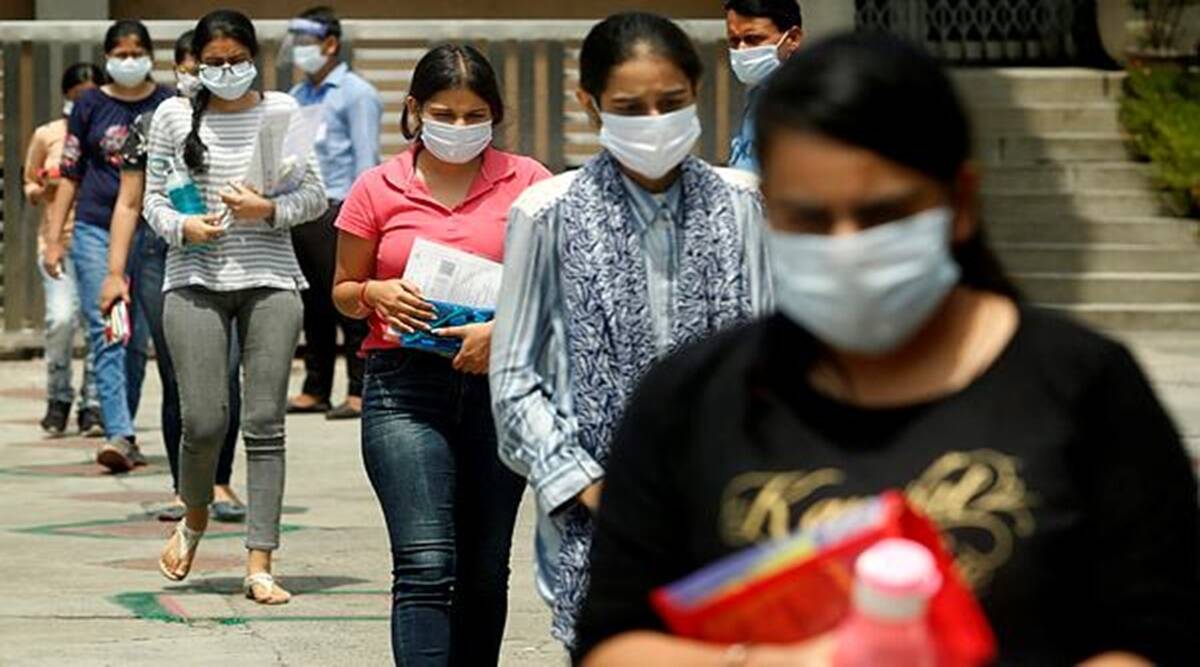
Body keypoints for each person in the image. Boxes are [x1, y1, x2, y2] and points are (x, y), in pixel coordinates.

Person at [574, 32, 1200, 666]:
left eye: (882, 215)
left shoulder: (1084, 386)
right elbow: (612, 643)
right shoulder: (691, 400)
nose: (846, 247)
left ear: (959, 202)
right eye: (810, 218)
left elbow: (1162, 632)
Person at [490, 12, 773, 649]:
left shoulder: (744, 204)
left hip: (731, 515)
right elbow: (514, 382)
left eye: (670, 103)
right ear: (590, 105)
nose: (653, 121)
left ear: (697, 91)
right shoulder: (548, 213)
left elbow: (774, 352)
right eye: (630, 106)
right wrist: (590, 487)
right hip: (599, 527)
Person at [332, 42, 550, 666]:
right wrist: (373, 291)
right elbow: (344, 292)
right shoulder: (377, 188)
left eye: (473, 114)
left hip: (501, 388)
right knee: (427, 564)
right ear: (414, 111)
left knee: (484, 569)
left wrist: (502, 329)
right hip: (405, 390)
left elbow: (557, 286)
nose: (459, 127)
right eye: (444, 113)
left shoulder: (530, 182)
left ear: (495, 115)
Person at [143, 9, 327, 605]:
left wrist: (266, 211)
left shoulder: (284, 112)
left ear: (255, 58)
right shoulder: (173, 115)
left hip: (272, 278)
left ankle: (260, 561)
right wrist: (183, 225)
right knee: (203, 420)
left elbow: (315, 196)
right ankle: (194, 515)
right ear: (196, 62)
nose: (226, 70)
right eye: (214, 61)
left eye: (236, 60)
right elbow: (152, 203)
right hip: (194, 277)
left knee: (265, 423)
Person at [99, 29, 246, 524]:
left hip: (232, 259)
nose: (196, 76)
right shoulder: (153, 122)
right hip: (165, 259)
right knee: (179, 374)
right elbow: (129, 200)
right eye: (189, 66)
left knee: (226, 373)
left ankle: (220, 480)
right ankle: (187, 488)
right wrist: (115, 272)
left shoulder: (244, 120)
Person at [42, 19, 174, 471]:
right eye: (120, 52)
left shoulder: (168, 103)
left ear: (151, 55)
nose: (129, 59)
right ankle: (118, 431)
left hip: (153, 233)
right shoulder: (91, 105)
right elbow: (70, 173)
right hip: (97, 230)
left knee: (138, 339)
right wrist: (56, 239)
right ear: (107, 57)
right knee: (109, 329)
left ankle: (126, 429)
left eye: (137, 51)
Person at [285, 5, 382, 420]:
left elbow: (366, 156)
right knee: (313, 304)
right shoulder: (297, 96)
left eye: (307, 42)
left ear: (330, 44)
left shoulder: (357, 93)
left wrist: (362, 213)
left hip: (341, 206)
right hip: (304, 207)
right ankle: (316, 386)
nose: (300, 51)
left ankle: (360, 389)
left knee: (349, 300)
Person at [23, 63, 105, 438]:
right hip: (56, 242)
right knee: (59, 319)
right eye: (77, 95)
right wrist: (44, 188)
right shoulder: (48, 134)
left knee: (97, 326)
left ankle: (93, 403)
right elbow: (28, 184)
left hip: (98, 241)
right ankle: (58, 397)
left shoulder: (109, 133)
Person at [725, 0, 803, 173]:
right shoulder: (759, 96)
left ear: (793, 39)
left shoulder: (807, 101)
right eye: (734, 41)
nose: (742, 49)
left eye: (753, 39)